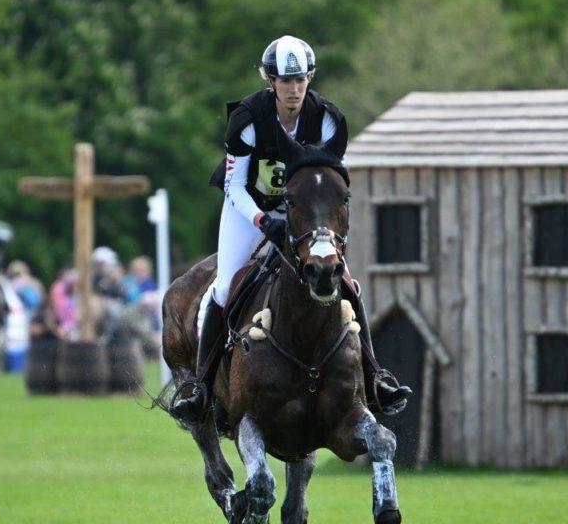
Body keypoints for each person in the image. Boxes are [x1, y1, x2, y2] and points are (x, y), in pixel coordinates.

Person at [171, 35, 411, 423]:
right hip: (249, 207)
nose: (294, 89)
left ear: (309, 79)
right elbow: (234, 186)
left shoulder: (328, 118)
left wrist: (318, 224)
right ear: (270, 81)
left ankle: (376, 377)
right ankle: (200, 387)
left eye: (300, 80)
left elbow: (336, 181)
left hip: (303, 214)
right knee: (224, 284)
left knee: (347, 283)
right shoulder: (248, 119)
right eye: (286, 81)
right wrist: (263, 220)